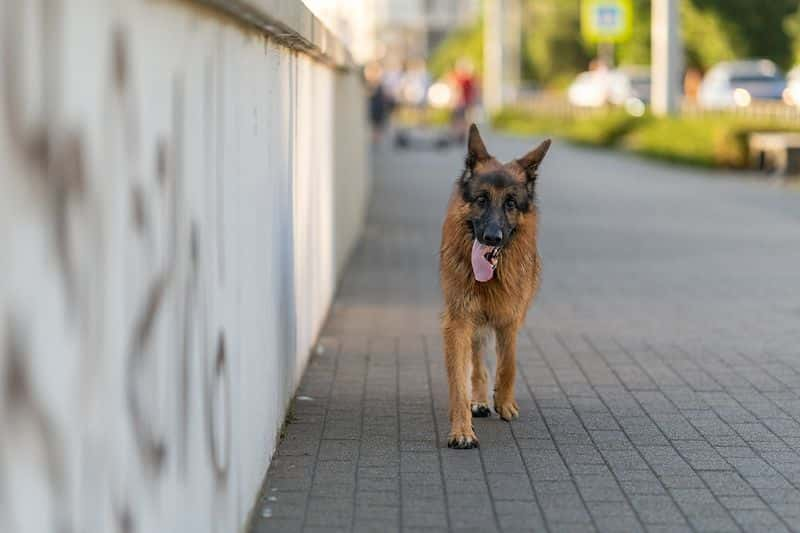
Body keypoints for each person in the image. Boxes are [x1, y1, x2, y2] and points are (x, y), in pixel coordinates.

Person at [449, 58, 479, 144]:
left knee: (460, 119)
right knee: (460, 119)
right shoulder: (466, 78)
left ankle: (460, 135)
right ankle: (459, 135)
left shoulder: (465, 79)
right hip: (464, 102)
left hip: (461, 102)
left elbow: (457, 90)